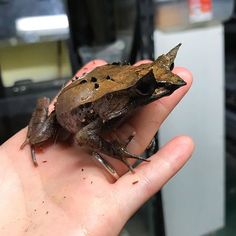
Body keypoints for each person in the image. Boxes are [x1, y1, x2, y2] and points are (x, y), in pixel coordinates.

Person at [0, 59, 194, 235]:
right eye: (145, 86)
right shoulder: (119, 98)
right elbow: (84, 136)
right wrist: (116, 150)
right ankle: (43, 105)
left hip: (94, 91)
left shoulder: (126, 91)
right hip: (65, 114)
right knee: (38, 137)